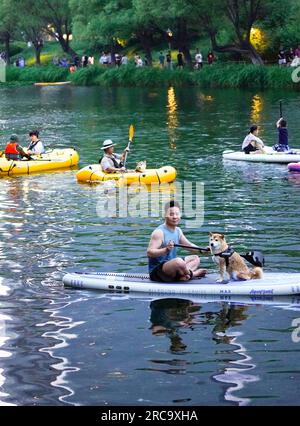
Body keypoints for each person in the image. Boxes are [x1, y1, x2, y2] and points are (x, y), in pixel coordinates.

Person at [147, 200, 208, 282]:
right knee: (178, 262)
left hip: (173, 267)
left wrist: (203, 250)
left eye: (177, 214)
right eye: (171, 214)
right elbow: (150, 252)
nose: (175, 217)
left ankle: (183, 276)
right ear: (165, 215)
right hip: (157, 273)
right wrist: (166, 249)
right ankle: (193, 274)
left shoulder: (178, 231)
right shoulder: (159, 233)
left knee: (195, 258)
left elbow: (189, 245)